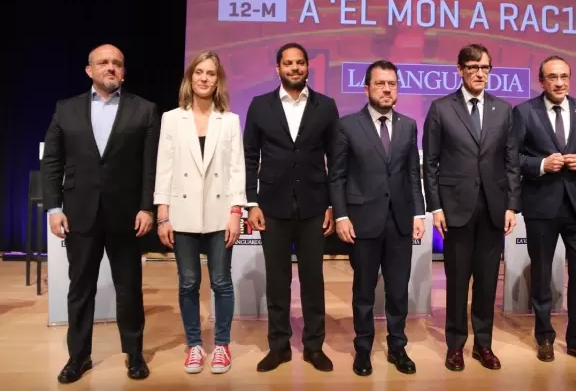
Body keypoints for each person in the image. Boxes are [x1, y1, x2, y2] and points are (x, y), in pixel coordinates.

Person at [41, 44, 158, 383]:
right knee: (80, 289)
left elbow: (150, 167)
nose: (111, 67)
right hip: (79, 213)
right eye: (103, 62)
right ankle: (78, 357)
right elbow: (52, 162)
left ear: (123, 71)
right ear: (89, 70)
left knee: (130, 289)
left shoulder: (145, 110)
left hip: (127, 215)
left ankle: (134, 355)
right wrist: (54, 208)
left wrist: (146, 207)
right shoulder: (66, 109)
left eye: (117, 63)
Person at [422, 44, 520, 371]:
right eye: (474, 67)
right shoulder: (440, 108)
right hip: (455, 210)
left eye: (486, 68)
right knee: (457, 280)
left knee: (487, 281)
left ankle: (483, 344)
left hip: (493, 209)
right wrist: (435, 207)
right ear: (460, 70)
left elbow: (511, 163)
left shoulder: (503, 110)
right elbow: (430, 164)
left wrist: (511, 206)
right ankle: (455, 346)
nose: (481, 73)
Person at [243, 42, 339, 372]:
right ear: (278, 68)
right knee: (277, 280)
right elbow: (249, 155)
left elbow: (335, 160)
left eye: (300, 63)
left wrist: (331, 204)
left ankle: (314, 346)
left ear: (307, 66)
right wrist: (251, 202)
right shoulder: (259, 106)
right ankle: (279, 346)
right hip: (272, 206)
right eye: (288, 63)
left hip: (314, 206)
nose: (294, 68)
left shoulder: (326, 106)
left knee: (313, 280)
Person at [328, 60, 426, 376]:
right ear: (367, 87)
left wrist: (418, 212)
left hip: (399, 221)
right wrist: (341, 215)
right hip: (362, 222)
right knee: (364, 292)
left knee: (398, 290)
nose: (387, 89)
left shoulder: (409, 125)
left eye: (392, 84)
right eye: (380, 83)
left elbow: (413, 172)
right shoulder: (347, 125)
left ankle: (398, 348)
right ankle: (363, 350)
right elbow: (337, 175)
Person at [153, 51, 245, 374]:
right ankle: (194, 346)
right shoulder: (171, 118)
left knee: (221, 281)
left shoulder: (230, 120)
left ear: (218, 80)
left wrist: (237, 212)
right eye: (199, 72)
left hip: (221, 214)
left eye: (211, 73)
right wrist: (163, 214)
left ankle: (221, 345)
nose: (204, 78)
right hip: (183, 212)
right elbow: (163, 169)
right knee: (188, 282)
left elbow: (237, 170)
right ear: (190, 78)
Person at [512, 55, 576, 365]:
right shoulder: (523, 112)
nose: (559, 82)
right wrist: (541, 164)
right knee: (542, 276)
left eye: (564, 76)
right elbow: (514, 158)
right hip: (541, 206)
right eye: (552, 77)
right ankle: (544, 336)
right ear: (541, 81)